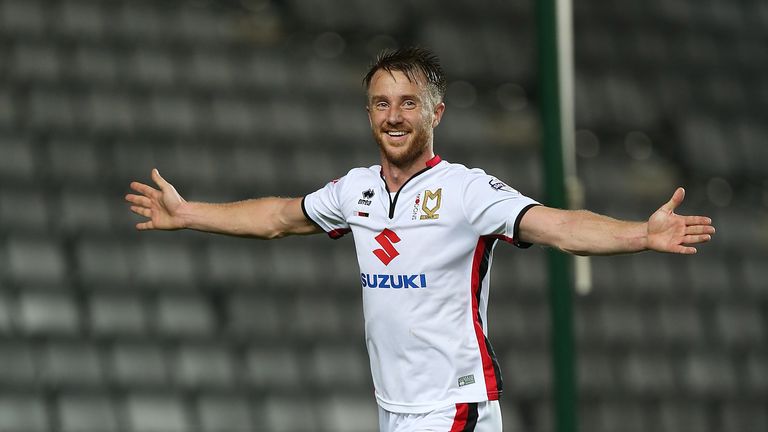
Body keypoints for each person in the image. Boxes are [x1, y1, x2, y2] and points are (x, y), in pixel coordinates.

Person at [125, 47, 715, 432]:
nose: (394, 115)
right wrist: (190, 213)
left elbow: (556, 226)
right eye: (381, 103)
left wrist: (641, 233)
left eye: (409, 102)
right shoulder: (354, 191)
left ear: (436, 113)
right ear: (368, 115)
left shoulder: (466, 191)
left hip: (454, 405)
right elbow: (279, 216)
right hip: (395, 407)